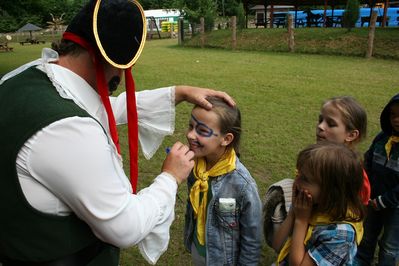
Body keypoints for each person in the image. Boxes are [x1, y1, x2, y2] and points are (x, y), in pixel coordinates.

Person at [0, 1, 235, 265]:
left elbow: (100, 106)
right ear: (99, 58)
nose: (122, 76)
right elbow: (126, 226)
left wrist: (177, 92)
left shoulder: (24, 78)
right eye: (121, 66)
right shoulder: (70, 129)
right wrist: (169, 178)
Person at [263, 96, 370, 246]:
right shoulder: (313, 158)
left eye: (331, 124)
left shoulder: (355, 178)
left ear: (351, 135)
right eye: (320, 120)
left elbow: (356, 213)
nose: (320, 126)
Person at [183, 97, 262, 265]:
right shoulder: (194, 166)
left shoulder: (243, 185)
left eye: (202, 131)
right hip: (199, 251)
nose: (190, 135)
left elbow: (252, 240)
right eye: (191, 126)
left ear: (226, 139)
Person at [272, 142, 366, 266]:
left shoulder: (340, 235)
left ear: (331, 191)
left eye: (305, 179)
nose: (296, 181)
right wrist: (293, 212)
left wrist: (301, 221)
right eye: (298, 174)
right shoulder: (310, 205)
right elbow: (277, 244)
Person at [355, 94, 399, 266]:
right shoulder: (383, 138)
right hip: (372, 201)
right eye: (393, 115)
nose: (396, 119)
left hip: (395, 207)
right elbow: (368, 161)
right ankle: (360, 261)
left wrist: (383, 201)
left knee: (389, 245)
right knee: (367, 235)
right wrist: (365, 190)